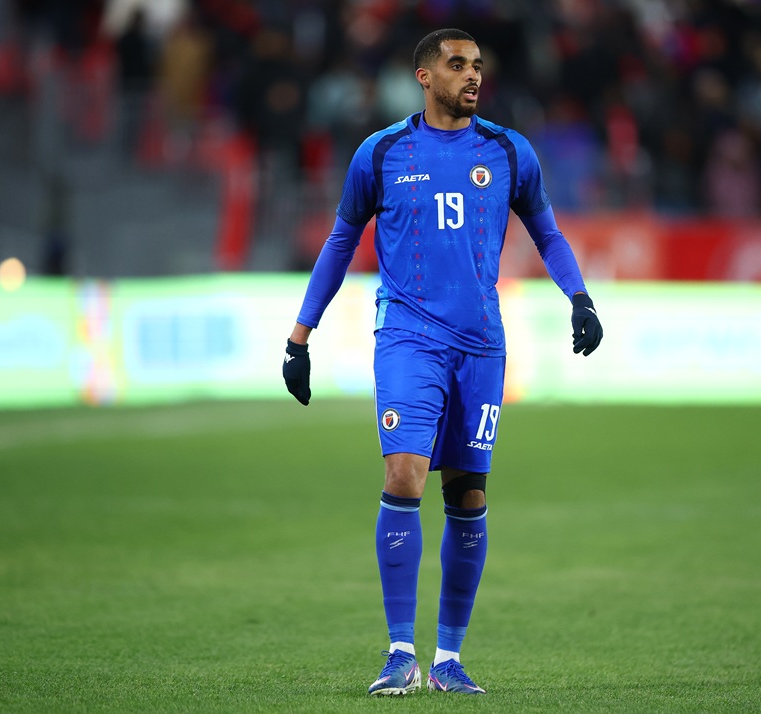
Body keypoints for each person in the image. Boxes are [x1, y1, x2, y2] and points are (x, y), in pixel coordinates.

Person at [282, 28, 603, 696]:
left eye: (478, 66)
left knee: (469, 495)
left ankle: (449, 660)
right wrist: (299, 336)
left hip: (482, 345)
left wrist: (579, 297)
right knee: (404, 475)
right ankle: (400, 652)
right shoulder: (383, 153)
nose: (473, 76)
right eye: (458, 65)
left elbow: (547, 231)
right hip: (407, 337)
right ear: (424, 77)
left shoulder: (509, 151)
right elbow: (342, 240)